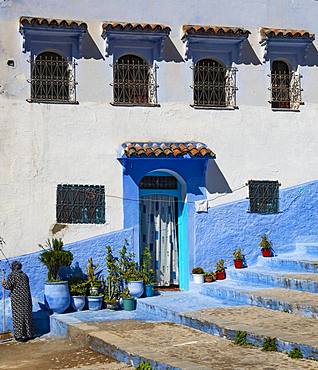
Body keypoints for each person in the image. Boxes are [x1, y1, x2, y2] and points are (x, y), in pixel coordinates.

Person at [2, 261, 33, 342]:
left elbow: (8, 286)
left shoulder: (12, 275)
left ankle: (19, 336)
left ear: (13, 267)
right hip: (26, 299)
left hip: (17, 300)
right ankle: (29, 334)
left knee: (18, 316)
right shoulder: (24, 275)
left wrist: (3, 283)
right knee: (27, 315)